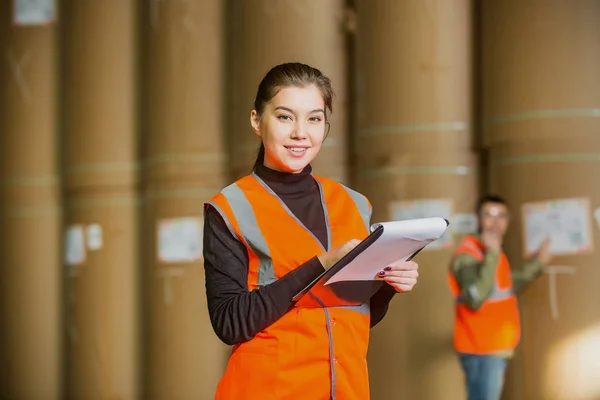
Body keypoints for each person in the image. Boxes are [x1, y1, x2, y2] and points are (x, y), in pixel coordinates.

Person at [202, 62, 419, 400]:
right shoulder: (231, 208)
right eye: (285, 117)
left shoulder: (353, 203)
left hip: (346, 389)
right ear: (257, 121)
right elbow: (230, 323)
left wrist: (387, 285)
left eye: (314, 118)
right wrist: (322, 264)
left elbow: (351, 317)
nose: (301, 132)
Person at [448, 195, 553, 400]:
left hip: (494, 347)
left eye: (502, 216)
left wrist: (538, 263)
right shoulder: (468, 255)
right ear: (478, 219)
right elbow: (476, 297)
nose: (496, 222)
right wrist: (492, 254)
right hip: (480, 349)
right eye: (489, 215)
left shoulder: (491, 253)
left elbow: (506, 285)